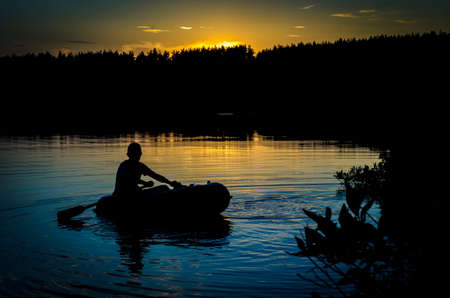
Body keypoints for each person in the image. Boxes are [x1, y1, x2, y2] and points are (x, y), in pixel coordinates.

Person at [113, 142, 181, 199]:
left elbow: (155, 176)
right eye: (136, 153)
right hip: (129, 197)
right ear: (128, 155)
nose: (138, 155)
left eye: (139, 153)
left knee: (164, 187)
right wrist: (144, 183)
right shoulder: (126, 166)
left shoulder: (136, 165)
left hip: (131, 195)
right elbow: (128, 179)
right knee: (164, 188)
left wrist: (170, 182)